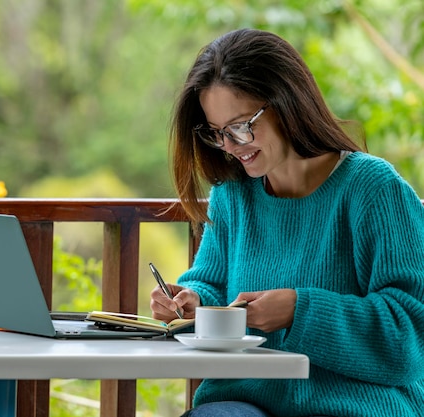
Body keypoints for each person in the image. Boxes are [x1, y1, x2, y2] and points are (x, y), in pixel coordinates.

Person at [150, 28, 424, 416]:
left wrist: (301, 310)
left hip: (356, 405)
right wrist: (192, 302)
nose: (229, 146)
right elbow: (212, 284)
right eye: (217, 133)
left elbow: (411, 336)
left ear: (288, 103)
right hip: (244, 403)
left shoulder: (373, 189)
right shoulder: (233, 194)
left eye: (241, 126)